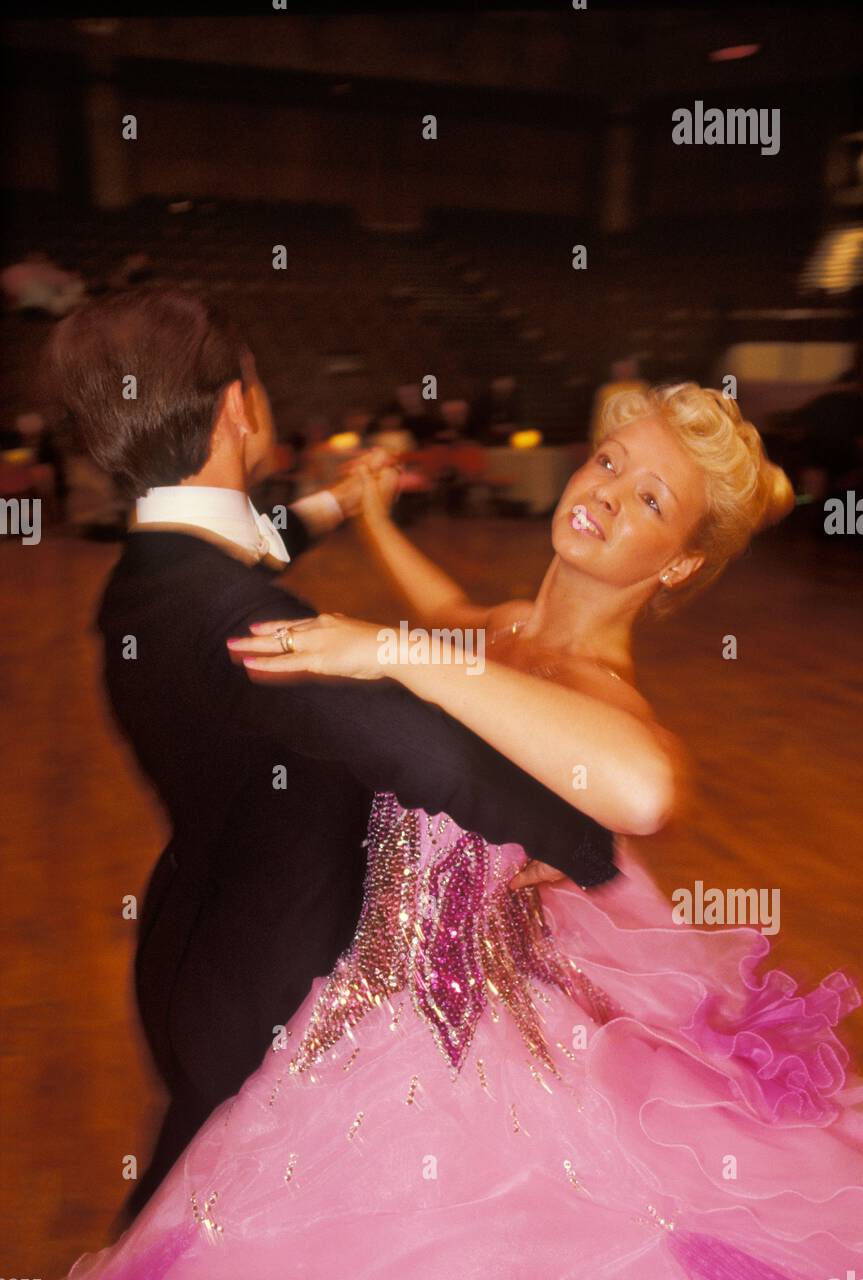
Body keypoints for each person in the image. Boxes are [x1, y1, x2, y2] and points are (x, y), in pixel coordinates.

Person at [50, 382, 863, 1280]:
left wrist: (394, 652)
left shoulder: (598, 688)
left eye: (648, 501)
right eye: (608, 463)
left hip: (447, 1045)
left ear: (675, 565)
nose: (604, 493)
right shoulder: (507, 630)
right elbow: (446, 610)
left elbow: (643, 788)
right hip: (351, 1005)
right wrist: (371, 520)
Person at [43, 288, 619, 1231]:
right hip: (272, 979)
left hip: (196, 938)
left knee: (184, 1213)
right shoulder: (236, 619)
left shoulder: (151, 573)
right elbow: (420, 749)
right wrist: (582, 842)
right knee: (214, 1235)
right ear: (238, 408)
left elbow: (242, 548)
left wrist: (341, 504)